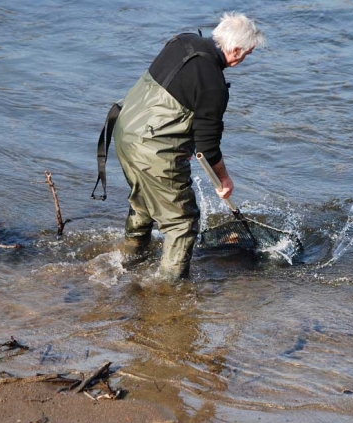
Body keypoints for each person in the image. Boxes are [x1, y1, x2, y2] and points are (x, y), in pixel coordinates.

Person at [113, 12, 266, 281]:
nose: (244, 60)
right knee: (182, 222)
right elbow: (207, 148)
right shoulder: (214, 85)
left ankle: (128, 258)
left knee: (143, 201)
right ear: (235, 50)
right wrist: (224, 179)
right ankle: (167, 290)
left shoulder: (183, 42)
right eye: (247, 54)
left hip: (124, 131)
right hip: (153, 150)